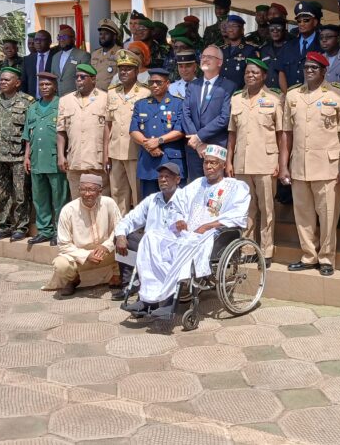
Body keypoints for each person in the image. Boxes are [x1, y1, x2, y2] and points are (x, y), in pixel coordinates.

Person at [121, 145, 250, 318]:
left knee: (184, 244)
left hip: (213, 234)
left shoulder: (236, 187)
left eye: (213, 163)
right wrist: (179, 219)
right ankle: (147, 298)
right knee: (151, 238)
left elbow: (237, 215)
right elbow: (178, 206)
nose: (208, 166)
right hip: (187, 231)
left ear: (222, 165)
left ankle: (167, 302)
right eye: (206, 163)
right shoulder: (196, 184)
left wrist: (208, 226)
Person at [279, 52, 340, 277]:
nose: (309, 71)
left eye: (315, 68)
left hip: (328, 165)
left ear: (324, 71)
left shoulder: (338, 93)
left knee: (328, 214)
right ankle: (309, 255)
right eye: (307, 67)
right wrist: (283, 165)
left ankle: (327, 258)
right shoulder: (292, 95)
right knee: (303, 214)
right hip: (299, 163)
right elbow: (286, 134)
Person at [226, 58, 282, 267]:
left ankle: (266, 250)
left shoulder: (275, 99)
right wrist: (229, 160)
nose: (250, 76)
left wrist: (280, 162)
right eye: (248, 72)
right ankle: (248, 248)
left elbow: (281, 134)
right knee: (246, 208)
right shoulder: (236, 99)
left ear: (264, 76)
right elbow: (232, 132)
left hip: (266, 161)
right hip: (242, 161)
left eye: (255, 73)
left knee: (267, 208)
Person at [42, 173, 121, 297]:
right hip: (80, 256)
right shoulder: (68, 210)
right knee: (60, 265)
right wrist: (86, 255)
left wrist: (106, 246)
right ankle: (73, 279)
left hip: (105, 252)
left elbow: (120, 229)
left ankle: (116, 274)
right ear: (79, 190)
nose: (87, 194)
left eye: (91, 190)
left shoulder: (109, 203)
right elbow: (63, 244)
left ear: (100, 191)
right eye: (83, 189)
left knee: (128, 241)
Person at [113, 161, 183, 301]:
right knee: (123, 237)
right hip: (150, 245)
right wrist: (120, 235)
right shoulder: (152, 199)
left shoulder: (185, 199)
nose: (162, 179)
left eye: (167, 176)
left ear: (177, 179)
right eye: (160, 177)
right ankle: (130, 283)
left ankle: (155, 291)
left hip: (173, 247)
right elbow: (129, 219)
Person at [0, 67, 35, 241]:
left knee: (20, 194)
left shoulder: (28, 102)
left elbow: (30, 132)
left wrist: (27, 155)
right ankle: (2, 225)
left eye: (6, 80)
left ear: (17, 83)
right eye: (1, 80)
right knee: (0, 194)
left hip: (17, 156)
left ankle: (20, 226)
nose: (2, 82)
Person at [23, 72, 69, 246]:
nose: (44, 87)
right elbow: (28, 134)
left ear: (55, 86)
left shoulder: (61, 105)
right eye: (41, 85)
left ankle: (60, 231)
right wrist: (26, 156)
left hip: (54, 158)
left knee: (60, 198)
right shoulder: (33, 107)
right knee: (40, 198)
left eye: (47, 85)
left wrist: (63, 155)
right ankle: (45, 230)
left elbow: (65, 133)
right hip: (36, 159)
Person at [105, 49, 150, 215]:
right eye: (121, 68)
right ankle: (120, 228)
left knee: (138, 192)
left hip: (136, 151)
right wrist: (106, 153)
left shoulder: (145, 92)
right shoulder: (112, 92)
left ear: (137, 71)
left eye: (128, 68)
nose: (123, 72)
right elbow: (108, 124)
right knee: (117, 192)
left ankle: (139, 228)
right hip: (115, 150)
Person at [181, 45, 236, 181]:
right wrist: (197, 142)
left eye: (209, 57)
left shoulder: (228, 86)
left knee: (216, 191)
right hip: (194, 149)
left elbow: (224, 117)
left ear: (219, 62)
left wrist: (199, 137)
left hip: (216, 146)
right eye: (203, 57)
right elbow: (185, 113)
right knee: (195, 188)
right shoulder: (193, 85)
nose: (205, 59)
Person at [57, 63, 110, 199]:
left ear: (93, 79)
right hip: (75, 160)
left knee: (100, 200)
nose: (79, 80)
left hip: (97, 161)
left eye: (83, 77)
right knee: (77, 200)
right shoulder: (65, 100)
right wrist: (61, 156)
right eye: (77, 77)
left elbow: (109, 130)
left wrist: (107, 155)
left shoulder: (106, 98)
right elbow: (61, 130)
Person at [130, 68, 185, 198]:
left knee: (175, 202)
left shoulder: (178, 104)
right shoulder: (141, 104)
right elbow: (133, 130)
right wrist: (149, 145)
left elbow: (180, 130)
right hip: (148, 163)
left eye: (158, 82)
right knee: (149, 202)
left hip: (170, 160)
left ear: (168, 84)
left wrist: (158, 141)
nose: (154, 85)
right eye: (151, 82)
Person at [278, 2, 322, 92]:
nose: (301, 24)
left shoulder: (322, 45)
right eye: (299, 21)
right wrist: (288, 96)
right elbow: (281, 73)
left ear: (315, 22)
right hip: (290, 98)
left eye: (306, 20)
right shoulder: (288, 46)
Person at [51, 25, 91, 96]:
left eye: (64, 37)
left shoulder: (83, 55)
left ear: (73, 38)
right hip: (57, 99)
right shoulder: (55, 57)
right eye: (59, 37)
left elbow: (85, 80)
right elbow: (53, 79)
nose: (61, 39)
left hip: (76, 98)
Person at [220, 15, 259, 88]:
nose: (230, 29)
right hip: (221, 92)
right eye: (228, 26)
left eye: (234, 26)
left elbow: (254, 75)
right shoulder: (222, 50)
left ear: (242, 30)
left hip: (239, 93)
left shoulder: (250, 50)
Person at [90, 18, 122, 92]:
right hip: (94, 95)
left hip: (111, 95)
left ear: (114, 36)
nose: (102, 37)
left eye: (106, 34)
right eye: (101, 34)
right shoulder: (95, 54)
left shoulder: (120, 53)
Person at [21, 30, 53, 98]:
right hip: (32, 100)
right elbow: (24, 82)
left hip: (52, 99)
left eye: (42, 40)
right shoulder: (27, 60)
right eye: (36, 40)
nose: (38, 42)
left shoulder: (56, 58)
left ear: (50, 42)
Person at [259, 17, 289, 89]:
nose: (275, 31)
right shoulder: (264, 50)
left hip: (285, 92)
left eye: (278, 29)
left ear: (284, 30)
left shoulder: (291, 49)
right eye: (272, 29)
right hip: (266, 93)